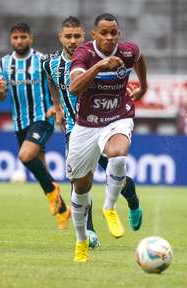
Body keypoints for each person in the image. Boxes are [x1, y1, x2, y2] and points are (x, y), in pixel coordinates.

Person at [43, 16, 143, 249]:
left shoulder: (91, 57)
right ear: (61, 38)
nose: (72, 40)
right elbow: (52, 82)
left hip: (104, 123)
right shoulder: (50, 63)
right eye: (68, 36)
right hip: (74, 127)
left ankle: (132, 200)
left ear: (85, 36)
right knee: (79, 181)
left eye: (77, 36)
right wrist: (57, 106)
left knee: (115, 170)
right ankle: (89, 231)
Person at [0, 22, 70, 230]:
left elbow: (56, 84)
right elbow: (1, 97)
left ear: (31, 38)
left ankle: (53, 191)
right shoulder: (4, 64)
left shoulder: (41, 61)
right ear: (11, 40)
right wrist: (0, 91)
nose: (19, 41)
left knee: (25, 156)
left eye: (23, 37)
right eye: (15, 38)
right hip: (19, 122)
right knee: (40, 169)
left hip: (42, 117)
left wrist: (56, 107)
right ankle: (63, 211)